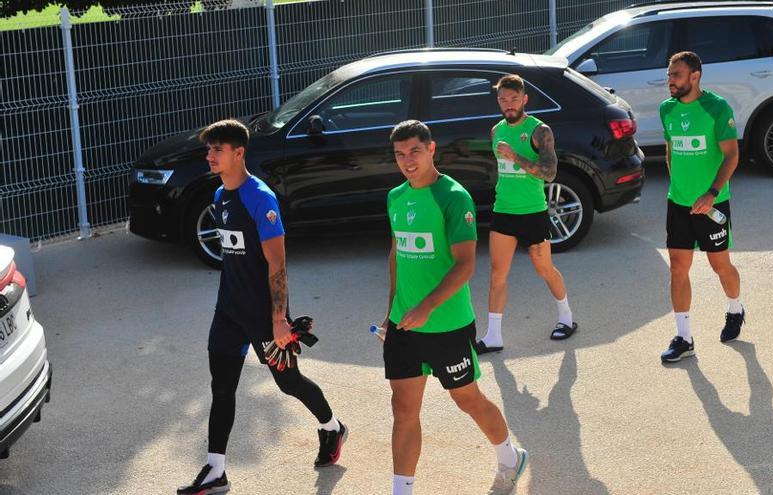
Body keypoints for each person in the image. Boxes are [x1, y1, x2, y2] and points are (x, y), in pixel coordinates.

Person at [178, 119, 346, 494]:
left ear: (239, 153)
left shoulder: (261, 198)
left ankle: (332, 426)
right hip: (228, 311)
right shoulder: (220, 195)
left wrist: (278, 319)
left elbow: (278, 264)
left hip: (264, 316)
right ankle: (215, 469)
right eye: (209, 150)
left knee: (288, 383)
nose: (210, 156)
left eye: (216, 150)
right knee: (221, 388)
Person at [380, 120, 528, 494]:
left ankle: (510, 457)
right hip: (404, 325)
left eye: (415, 151)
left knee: (467, 399)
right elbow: (397, 254)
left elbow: (465, 263)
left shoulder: (453, 197)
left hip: (447, 324)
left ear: (432, 149)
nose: (407, 161)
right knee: (403, 408)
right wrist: (391, 313)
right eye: (400, 154)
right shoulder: (396, 197)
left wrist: (428, 306)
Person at [475, 73, 577, 355]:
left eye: (514, 99)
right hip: (504, 212)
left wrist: (517, 157)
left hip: (533, 212)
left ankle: (566, 318)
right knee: (497, 274)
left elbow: (550, 172)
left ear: (524, 99)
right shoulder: (496, 131)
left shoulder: (539, 130)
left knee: (543, 268)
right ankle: (493, 335)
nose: (509, 104)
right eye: (503, 99)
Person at [658, 52, 745, 364]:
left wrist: (711, 192)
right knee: (678, 269)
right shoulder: (666, 109)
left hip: (713, 203)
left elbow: (731, 155)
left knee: (720, 266)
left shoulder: (717, 108)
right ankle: (684, 338)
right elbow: (670, 151)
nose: (670, 81)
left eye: (676, 75)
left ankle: (735, 308)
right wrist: (678, 187)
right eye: (669, 75)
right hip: (678, 203)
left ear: (695, 76)